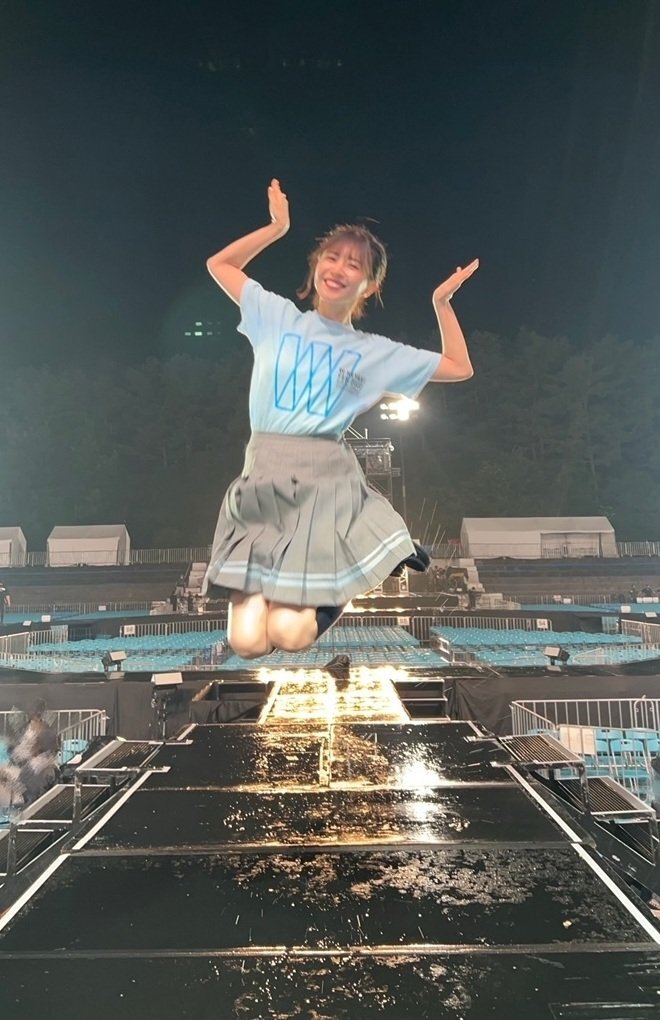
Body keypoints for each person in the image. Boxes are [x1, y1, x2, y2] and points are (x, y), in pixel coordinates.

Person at [203, 179, 478, 658]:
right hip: (262, 480)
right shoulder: (277, 317)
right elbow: (220, 265)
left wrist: (441, 304)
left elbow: (459, 366)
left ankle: (343, 583)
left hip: (322, 485)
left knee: (290, 635)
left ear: (369, 285)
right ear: (316, 266)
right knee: (246, 642)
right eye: (332, 257)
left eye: (354, 264)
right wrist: (276, 228)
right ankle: (333, 576)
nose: (338, 269)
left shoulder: (374, 353)